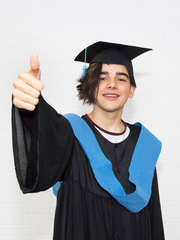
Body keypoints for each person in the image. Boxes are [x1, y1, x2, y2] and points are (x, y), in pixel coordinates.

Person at [11, 41, 164, 240]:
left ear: (132, 90)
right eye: (102, 78)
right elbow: (42, 141)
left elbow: (154, 221)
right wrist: (30, 109)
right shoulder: (68, 134)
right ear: (90, 85)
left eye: (121, 78)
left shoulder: (145, 145)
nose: (112, 84)